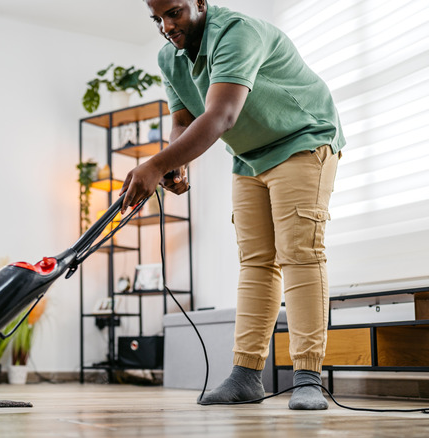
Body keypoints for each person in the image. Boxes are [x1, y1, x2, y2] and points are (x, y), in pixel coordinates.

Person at [119, 0, 344, 410]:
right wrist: (176, 161)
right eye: (157, 18)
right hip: (250, 155)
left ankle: (308, 378)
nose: (167, 26)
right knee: (256, 261)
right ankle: (246, 377)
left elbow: (221, 115)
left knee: (299, 254)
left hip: (302, 139)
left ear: (200, 3)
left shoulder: (237, 32)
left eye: (175, 12)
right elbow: (183, 120)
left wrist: (155, 165)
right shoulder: (169, 57)